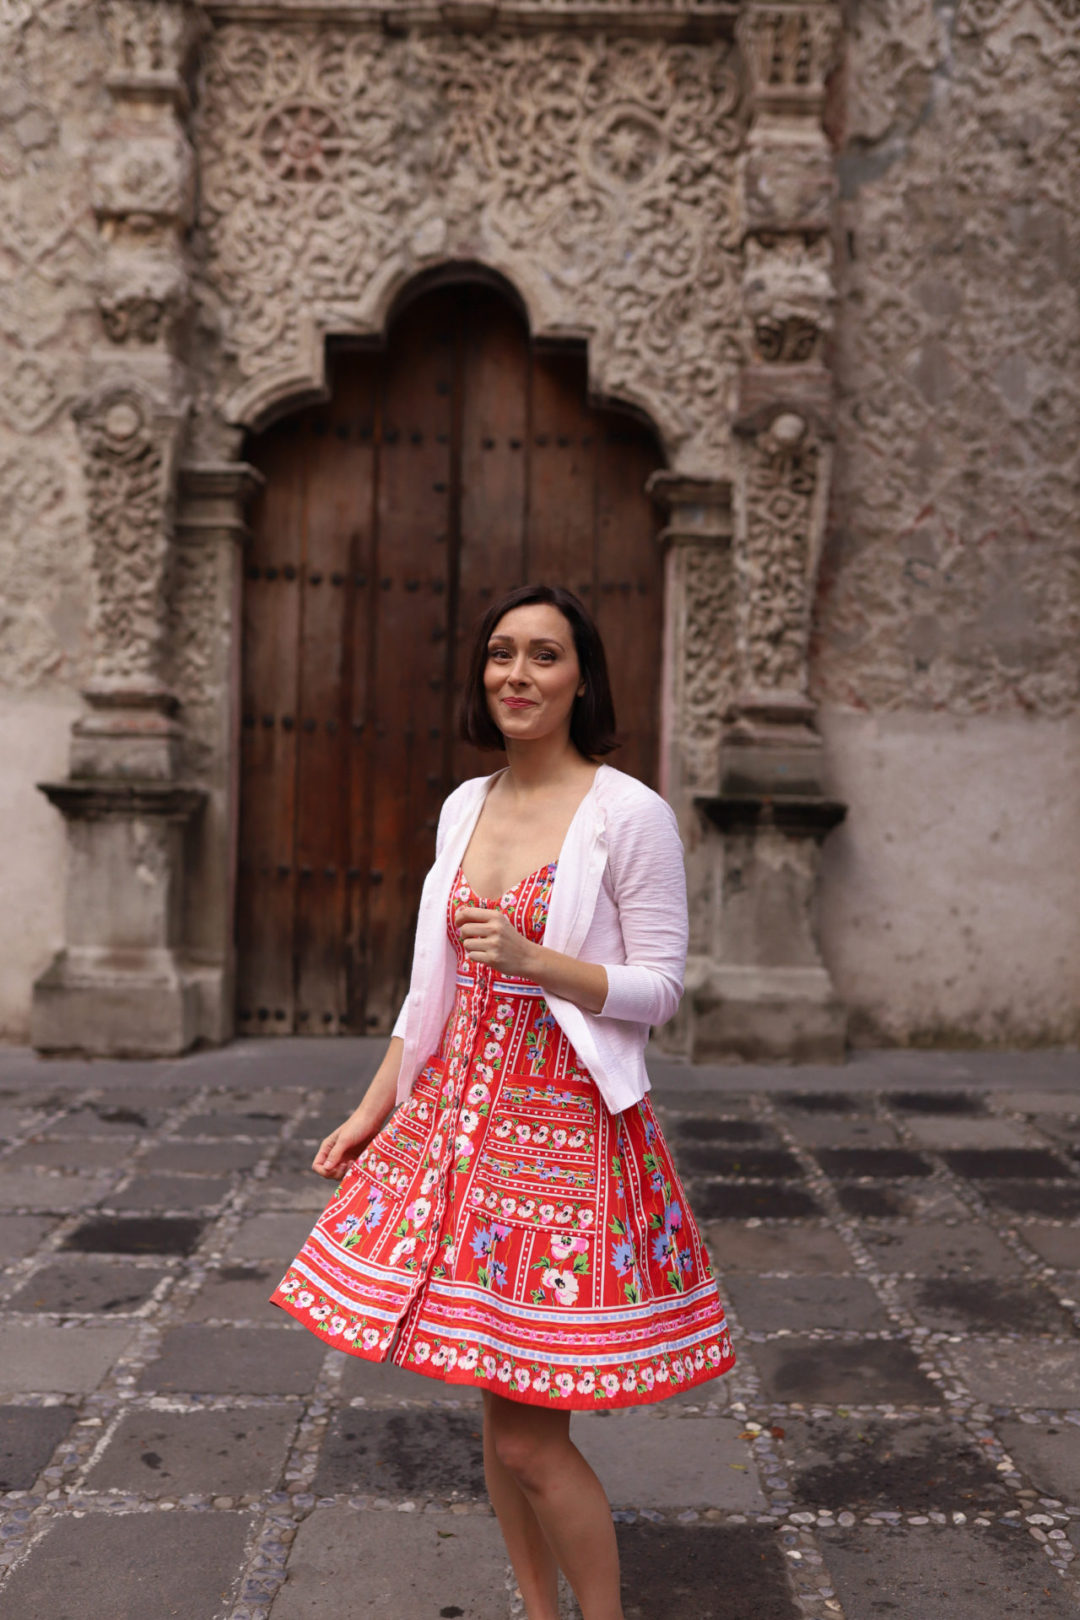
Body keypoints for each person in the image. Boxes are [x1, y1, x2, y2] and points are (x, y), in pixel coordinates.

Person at [269, 582, 735, 1620]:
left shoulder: (629, 815)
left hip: (564, 1140)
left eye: (544, 657)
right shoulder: (464, 805)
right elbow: (427, 991)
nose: (517, 675)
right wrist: (373, 1107)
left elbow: (661, 989)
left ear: (582, 679)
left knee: (532, 1436)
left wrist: (541, 960)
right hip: (456, 1134)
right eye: (501, 655)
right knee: (500, 1418)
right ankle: (537, 1608)